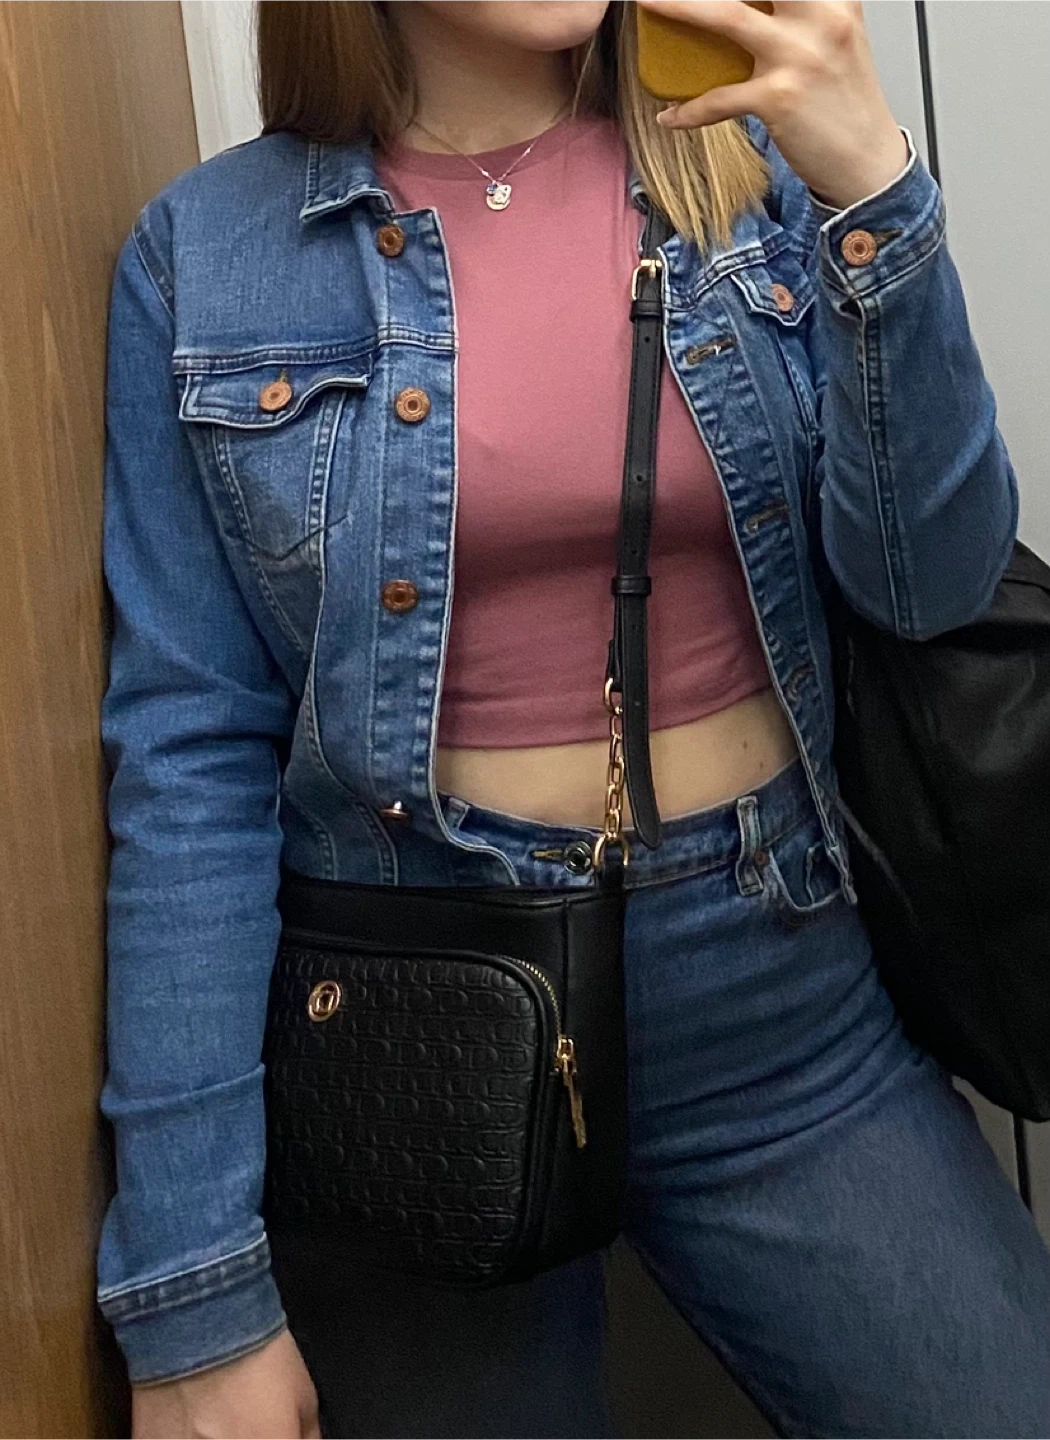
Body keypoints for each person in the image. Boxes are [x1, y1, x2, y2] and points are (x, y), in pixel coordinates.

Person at [96, 0, 1050, 1436]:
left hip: (780, 995)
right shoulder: (208, 258)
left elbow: (930, 586)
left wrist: (875, 195)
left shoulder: (751, 172)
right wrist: (194, 1293)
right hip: (415, 1029)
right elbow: (189, 759)